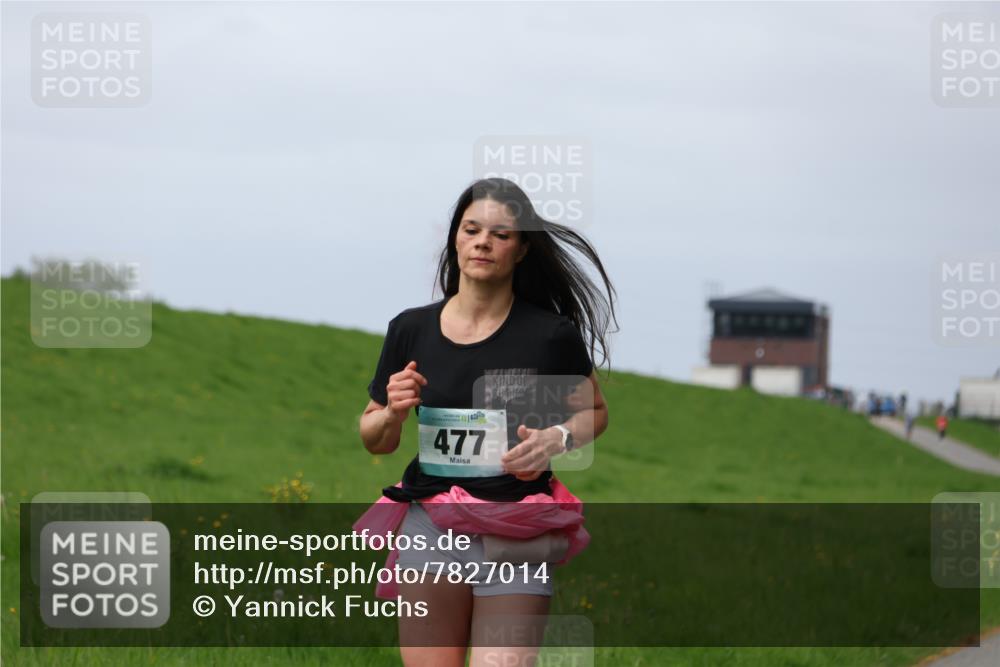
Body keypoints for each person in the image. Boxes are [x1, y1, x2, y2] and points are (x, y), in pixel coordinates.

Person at [357, 177, 616, 667]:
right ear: (455, 238)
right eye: (471, 229)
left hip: (518, 528)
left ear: (521, 250)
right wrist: (391, 411)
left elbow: (595, 412)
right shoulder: (410, 329)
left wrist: (555, 439)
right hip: (431, 526)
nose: (482, 242)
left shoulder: (548, 335)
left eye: (500, 234)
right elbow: (375, 440)